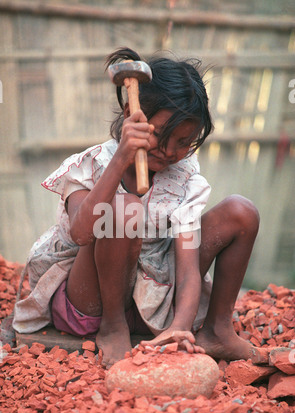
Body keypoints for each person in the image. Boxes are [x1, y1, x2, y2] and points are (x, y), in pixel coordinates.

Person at [13, 47, 260, 369]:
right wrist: (120, 160)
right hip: (91, 299)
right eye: (160, 135)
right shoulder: (92, 165)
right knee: (125, 208)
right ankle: (113, 327)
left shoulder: (185, 179)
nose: (172, 152)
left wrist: (180, 325)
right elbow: (81, 233)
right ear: (133, 116)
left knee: (241, 211)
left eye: (185, 141)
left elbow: (186, 269)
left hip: (153, 304)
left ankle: (216, 329)